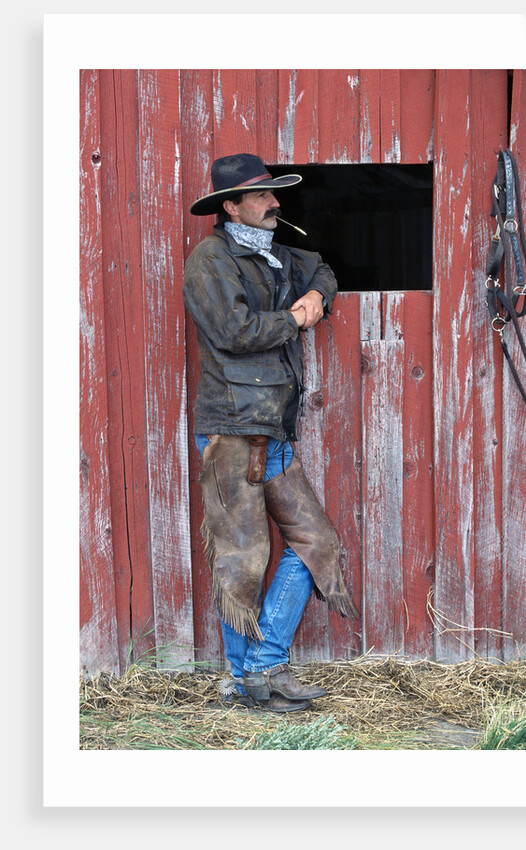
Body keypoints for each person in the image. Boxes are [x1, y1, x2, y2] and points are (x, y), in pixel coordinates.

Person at [183, 153, 358, 713]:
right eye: (262, 197)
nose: (274, 204)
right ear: (231, 206)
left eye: (273, 195)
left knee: (317, 541)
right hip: (232, 429)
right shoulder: (211, 259)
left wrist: (317, 298)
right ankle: (248, 681)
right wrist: (296, 320)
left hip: (273, 428)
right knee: (241, 557)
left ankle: (258, 669)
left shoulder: (277, 255)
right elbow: (233, 331)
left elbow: (323, 269)